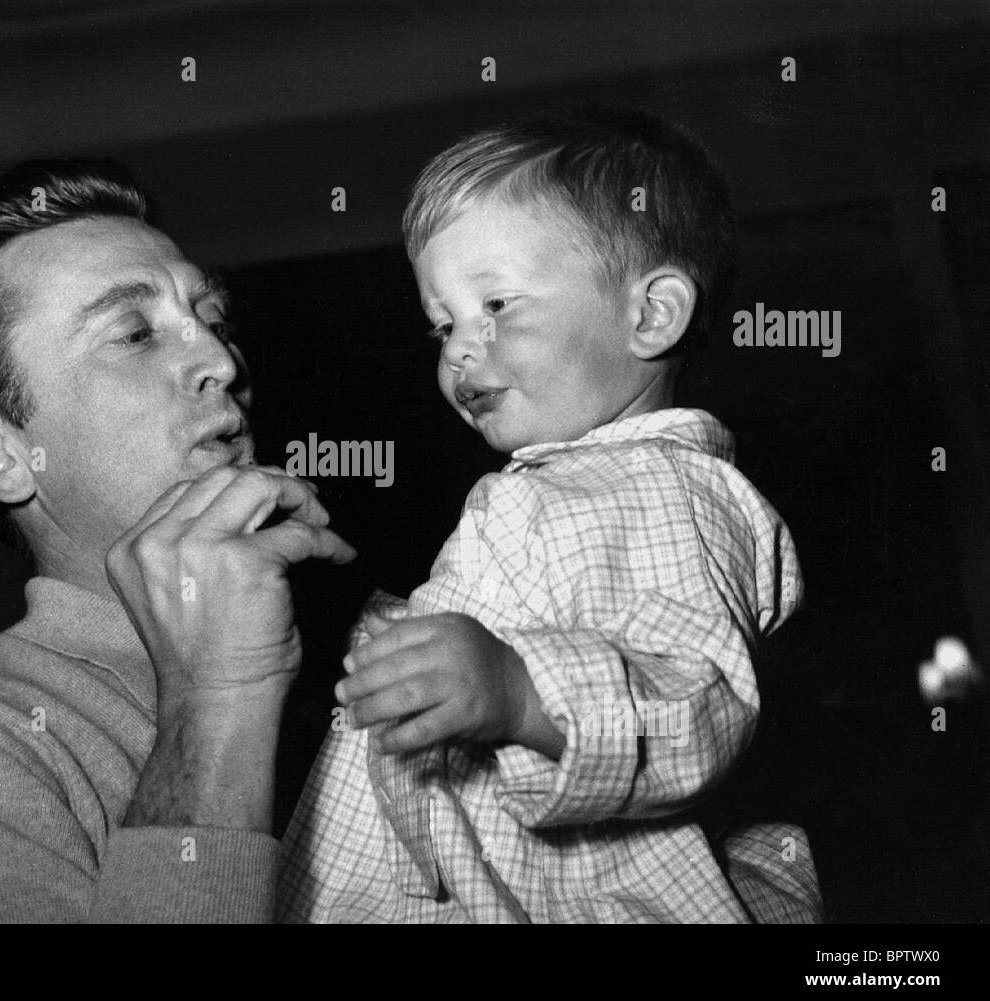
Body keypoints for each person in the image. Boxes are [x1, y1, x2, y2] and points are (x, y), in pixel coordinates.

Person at [277, 108, 825, 923]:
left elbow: (695, 707)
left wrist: (518, 691)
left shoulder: (658, 490)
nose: (460, 349)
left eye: (496, 303)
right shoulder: (561, 488)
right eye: (443, 324)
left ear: (651, 315)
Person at [0, 159, 355, 922]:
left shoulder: (390, 644)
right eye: (132, 333)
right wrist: (218, 700)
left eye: (214, 319)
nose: (223, 362)